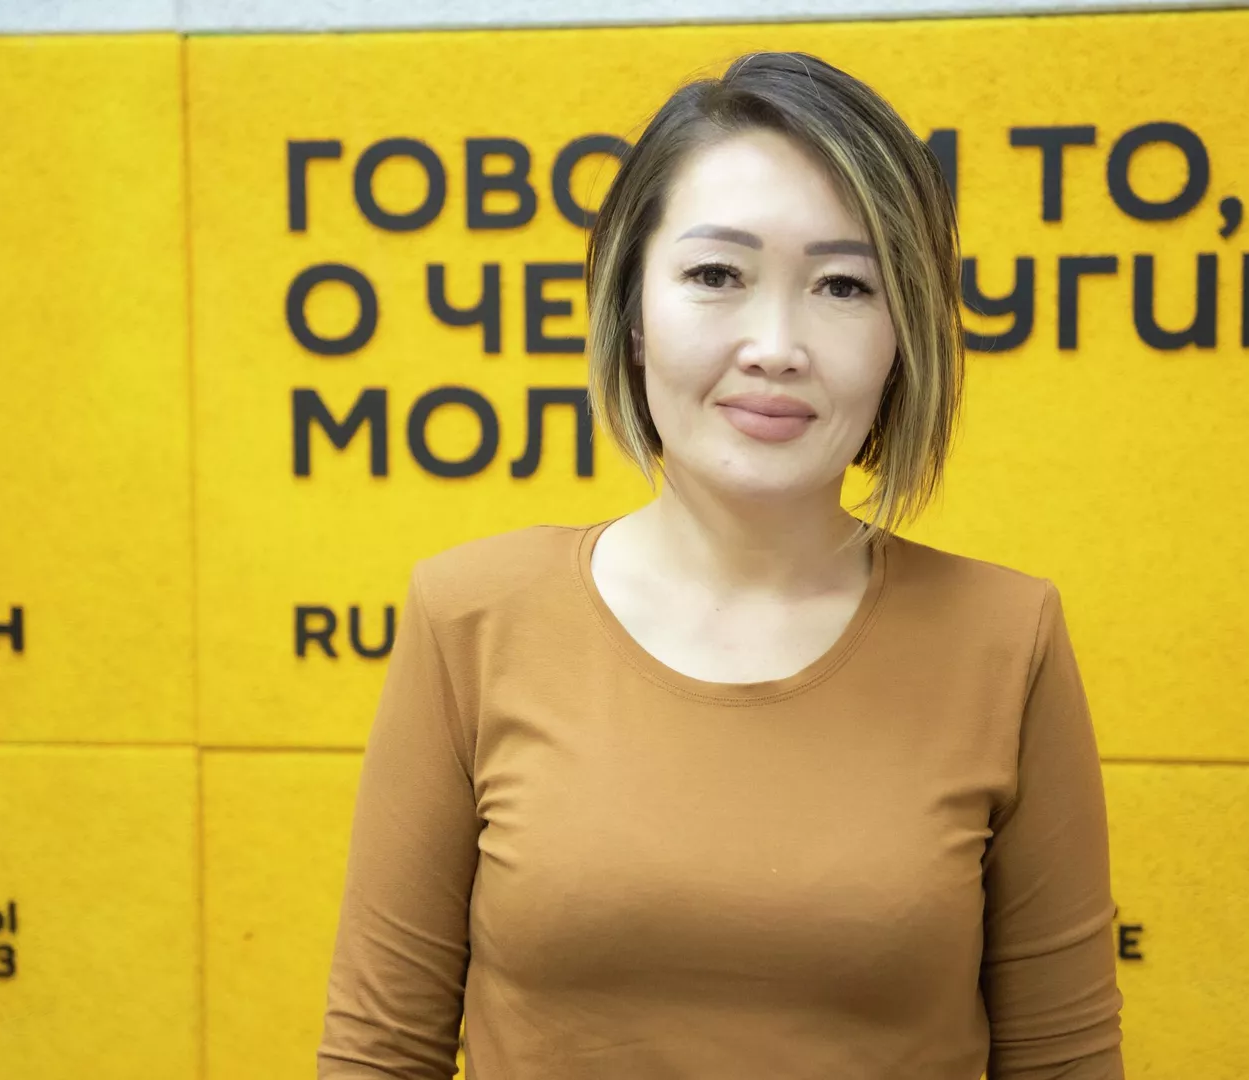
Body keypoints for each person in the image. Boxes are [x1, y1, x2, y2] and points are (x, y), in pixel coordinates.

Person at [318, 50, 1125, 1080]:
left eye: (843, 285)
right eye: (716, 276)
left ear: (903, 341)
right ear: (631, 314)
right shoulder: (469, 617)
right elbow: (381, 1054)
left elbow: (1065, 1063)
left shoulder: (1006, 640)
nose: (776, 345)